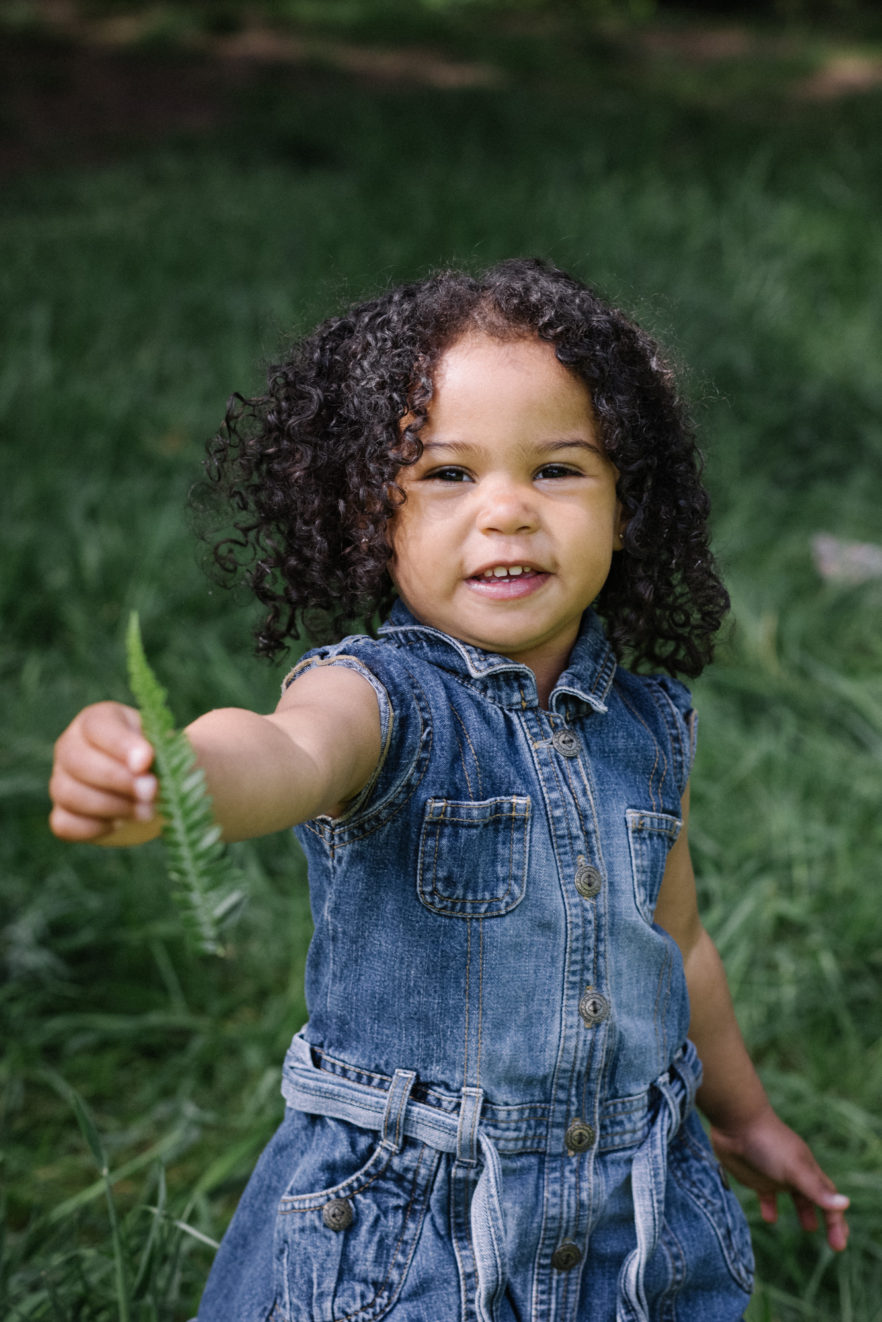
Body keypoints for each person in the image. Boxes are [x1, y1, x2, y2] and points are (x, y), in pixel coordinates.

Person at [49, 259, 849, 1322]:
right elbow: (282, 750)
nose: (509, 511)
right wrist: (170, 772)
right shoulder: (378, 699)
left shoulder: (652, 722)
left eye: (558, 469)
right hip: (409, 1239)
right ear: (368, 512)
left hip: (630, 1219)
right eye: (448, 474)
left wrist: (741, 1116)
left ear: (626, 501)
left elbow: (678, 938)